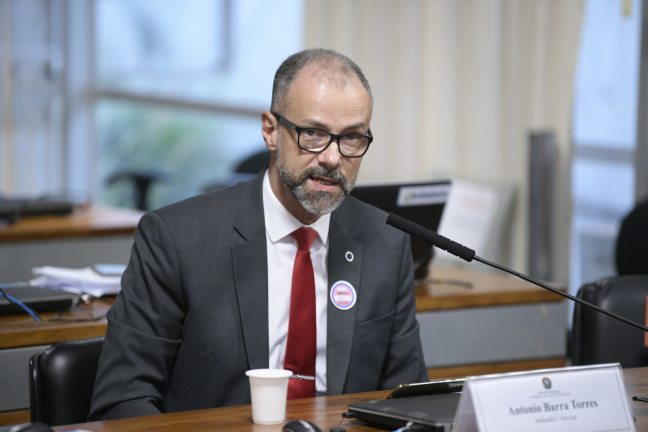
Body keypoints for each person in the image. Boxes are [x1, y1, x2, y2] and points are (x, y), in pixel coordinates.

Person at [88, 49, 428, 421]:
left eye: (351, 138)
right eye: (313, 134)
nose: (332, 158)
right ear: (270, 130)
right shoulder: (176, 239)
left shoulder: (386, 242)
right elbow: (121, 401)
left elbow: (408, 406)